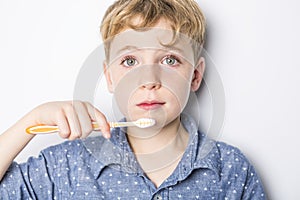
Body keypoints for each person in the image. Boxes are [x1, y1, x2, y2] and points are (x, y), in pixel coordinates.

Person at [0, 0, 266, 199]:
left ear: (195, 76)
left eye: (169, 60)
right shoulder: (65, 167)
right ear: (110, 77)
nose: (148, 79)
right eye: (130, 61)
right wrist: (31, 120)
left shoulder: (231, 169)